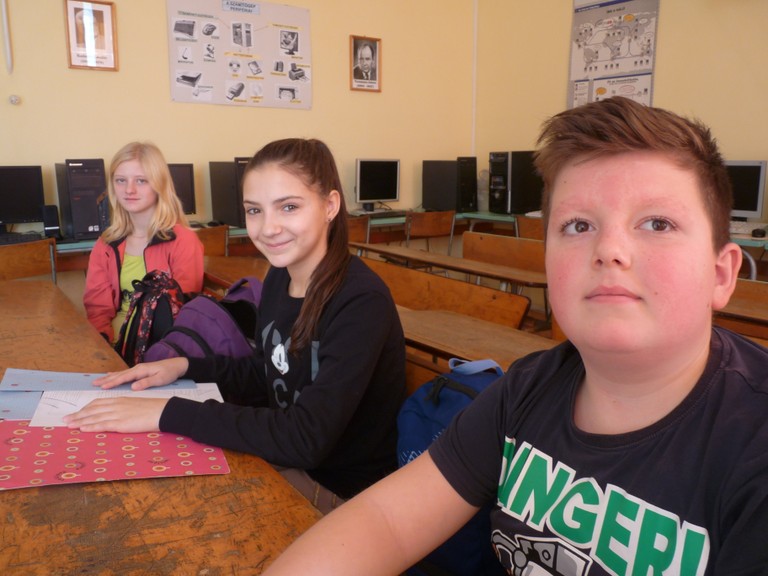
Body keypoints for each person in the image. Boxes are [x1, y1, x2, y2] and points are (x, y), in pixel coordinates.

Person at [259, 97, 768, 574]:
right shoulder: (528, 389)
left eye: (657, 223)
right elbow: (386, 522)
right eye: (578, 225)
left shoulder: (752, 447)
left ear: (722, 274)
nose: (610, 250)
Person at [67, 138, 407, 513]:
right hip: (288, 460)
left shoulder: (361, 301)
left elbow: (306, 438)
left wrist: (167, 412)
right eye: (254, 210)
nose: (268, 228)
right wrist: (184, 367)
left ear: (330, 205)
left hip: (344, 493)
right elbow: (267, 373)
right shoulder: (280, 277)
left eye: (289, 207)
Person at [83, 141, 204, 344]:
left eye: (141, 181)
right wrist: (104, 349)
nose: (129, 190)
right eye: (121, 180)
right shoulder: (105, 245)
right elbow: (97, 311)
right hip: (113, 346)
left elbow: (181, 314)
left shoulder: (183, 241)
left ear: (159, 185)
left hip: (160, 347)